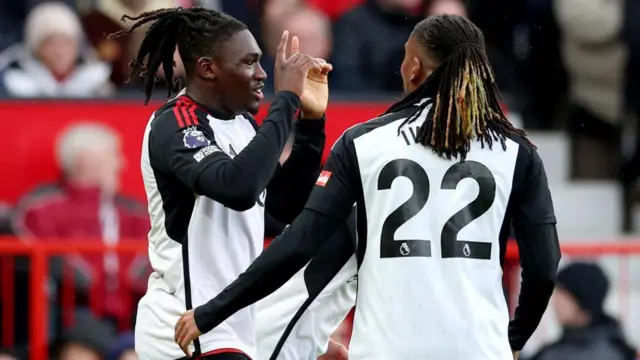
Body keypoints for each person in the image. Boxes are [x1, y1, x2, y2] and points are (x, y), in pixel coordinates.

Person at [174, 14, 562, 360]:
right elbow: (543, 267)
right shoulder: (516, 151)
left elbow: (299, 245)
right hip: (481, 349)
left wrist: (214, 311)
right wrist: (513, 337)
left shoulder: (363, 143)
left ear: (412, 68)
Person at [111, 6, 336, 360]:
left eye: (260, 62)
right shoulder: (176, 123)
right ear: (208, 68)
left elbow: (279, 208)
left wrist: (310, 122)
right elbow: (237, 188)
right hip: (183, 320)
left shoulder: (243, 124)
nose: (262, 74)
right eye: (249, 63)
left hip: (228, 319)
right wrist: (286, 99)